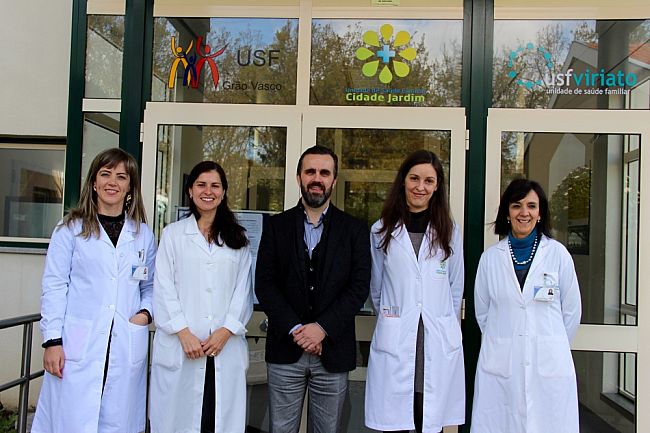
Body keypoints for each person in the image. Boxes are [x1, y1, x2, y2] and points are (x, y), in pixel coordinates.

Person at [32, 148, 156, 433]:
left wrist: (144, 314)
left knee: (117, 419)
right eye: (105, 174)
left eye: (121, 177)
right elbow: (54, 286)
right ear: (94, 182)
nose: (112, 182)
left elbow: (150, 287)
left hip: (124, 340)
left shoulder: (143, 235)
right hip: (78, 343)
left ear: (130, 187)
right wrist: (52, 341)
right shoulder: (69, 229)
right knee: (73, 419)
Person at [255, 145, 371, 433]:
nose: (317, 178)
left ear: (334, 180)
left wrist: (321, 328)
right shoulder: (276, 226)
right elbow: (265, 284)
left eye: (324, 173)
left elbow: (359, 287)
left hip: (333, 351)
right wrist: (297, 329)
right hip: (285, 349)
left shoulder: (354, 229)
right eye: (310, 172)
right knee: (281, 429)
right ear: (299, 177)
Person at [364, 150, 465, 433]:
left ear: (437, 186)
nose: (421, 187)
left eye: (429, 181)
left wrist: (445, 322)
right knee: (394, 422)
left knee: (427, 418)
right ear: (403, 181)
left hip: (435, 340)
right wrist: (393, 319)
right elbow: (377, 288)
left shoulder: (450, 231)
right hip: (397, 337)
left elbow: (455, 287)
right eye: (414, 178)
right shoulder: (381, 230)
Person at [471, 178, 582, 433]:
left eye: (531, 206)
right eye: (516, 205)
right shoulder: (490, 259)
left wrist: (551, 346)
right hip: (502, 365)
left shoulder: (558, 255)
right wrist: (506, 341)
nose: (524, 212)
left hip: (548, 365)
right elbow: (483, 312)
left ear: (540, 213)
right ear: (507, 213)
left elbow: (572, 311)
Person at [150, 161, 253, 433]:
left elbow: (243, 290)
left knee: (216, 420)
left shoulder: (238, 239)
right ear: (190, 190)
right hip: (182, 347)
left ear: (223, 192)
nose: (208, 191)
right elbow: (163, 287)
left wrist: (226, 330)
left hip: (223, 348)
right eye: (201, 185)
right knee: (179, 420)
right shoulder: (173, 235)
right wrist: (183, 332)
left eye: (215, 186)